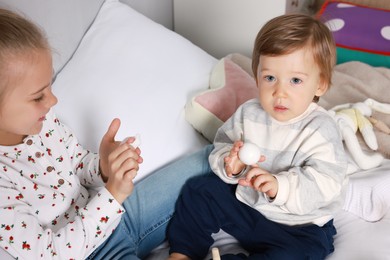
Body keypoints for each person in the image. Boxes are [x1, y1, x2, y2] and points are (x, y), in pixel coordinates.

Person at [0, 8, 214, 260]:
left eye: (49, 87)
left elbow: (76, 162)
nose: (52, 100)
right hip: (89, 252)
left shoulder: (42, 120)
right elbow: (50, 254)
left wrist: (104, 165)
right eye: (38, 96)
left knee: (214, 157)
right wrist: (113, 196)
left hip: (114, 215)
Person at [167, 13, 349, 260]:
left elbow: (326, 183)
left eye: (295, 80)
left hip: (300, 226)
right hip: (249, 206)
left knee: (300, 254)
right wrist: (230, 165)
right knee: (200, 190)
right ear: (257, 75)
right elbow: (224, 144)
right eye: (270, 78)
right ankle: (182, 253)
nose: (280, 92)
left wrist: (279, 186)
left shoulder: (321, 129)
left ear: (320, 85)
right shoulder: (249, 113)